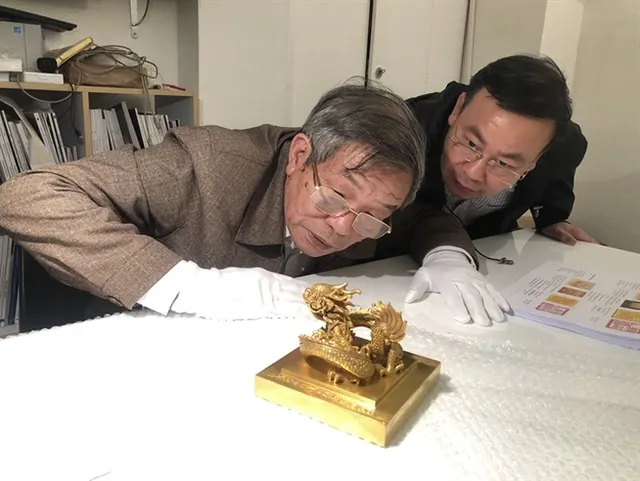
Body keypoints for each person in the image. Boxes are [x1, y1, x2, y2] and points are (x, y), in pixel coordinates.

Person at [0, 81, 510, 327]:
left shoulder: (371, 202)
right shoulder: (207, 166)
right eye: (334, 197)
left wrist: (448, 256)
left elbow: (424, 219)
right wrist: (192, 285)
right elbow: (26, 195)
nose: (342, 228)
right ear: (300, 155)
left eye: (372, 218)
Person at [407, 54, 598, 246]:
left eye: (503, 163)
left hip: (487, 246)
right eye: (471, 144)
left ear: (538, 158)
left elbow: (559, 169)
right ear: (457, 110)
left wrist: (551, 217)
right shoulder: (406, 129)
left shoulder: (563, 147)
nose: (473, 173)